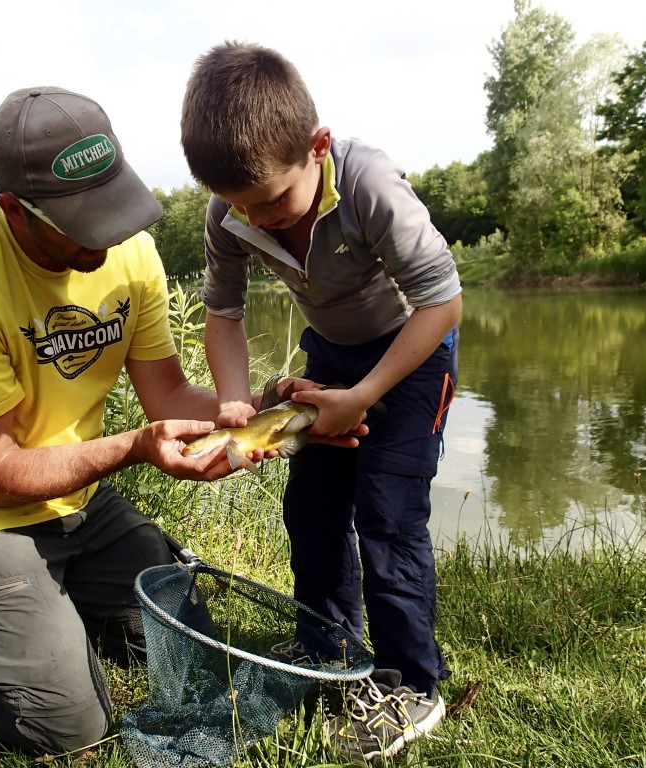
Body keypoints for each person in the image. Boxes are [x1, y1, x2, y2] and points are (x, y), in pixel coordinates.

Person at [0, 86, 257, 757]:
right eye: (84, 220)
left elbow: (168, 392)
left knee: (189, 652)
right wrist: (137, 448)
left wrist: (258, 414)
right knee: (64, 727)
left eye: (113, 206)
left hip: (74, 494)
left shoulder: (132, 254)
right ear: (13, 209)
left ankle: (36, 613)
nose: (111, 234)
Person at [180, 42, 463, 762]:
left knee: (388, 519)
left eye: (270, 200)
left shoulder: (369, 185)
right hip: (331, 353)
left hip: (413, 353)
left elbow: (443, 302)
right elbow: (224, 314)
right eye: (237, 205)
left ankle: (410, 685)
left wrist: (363, 395)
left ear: (318, 146)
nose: (255, 218)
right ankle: (328, 641)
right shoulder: (230, 211)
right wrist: (237, 403)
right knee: (311, 506)